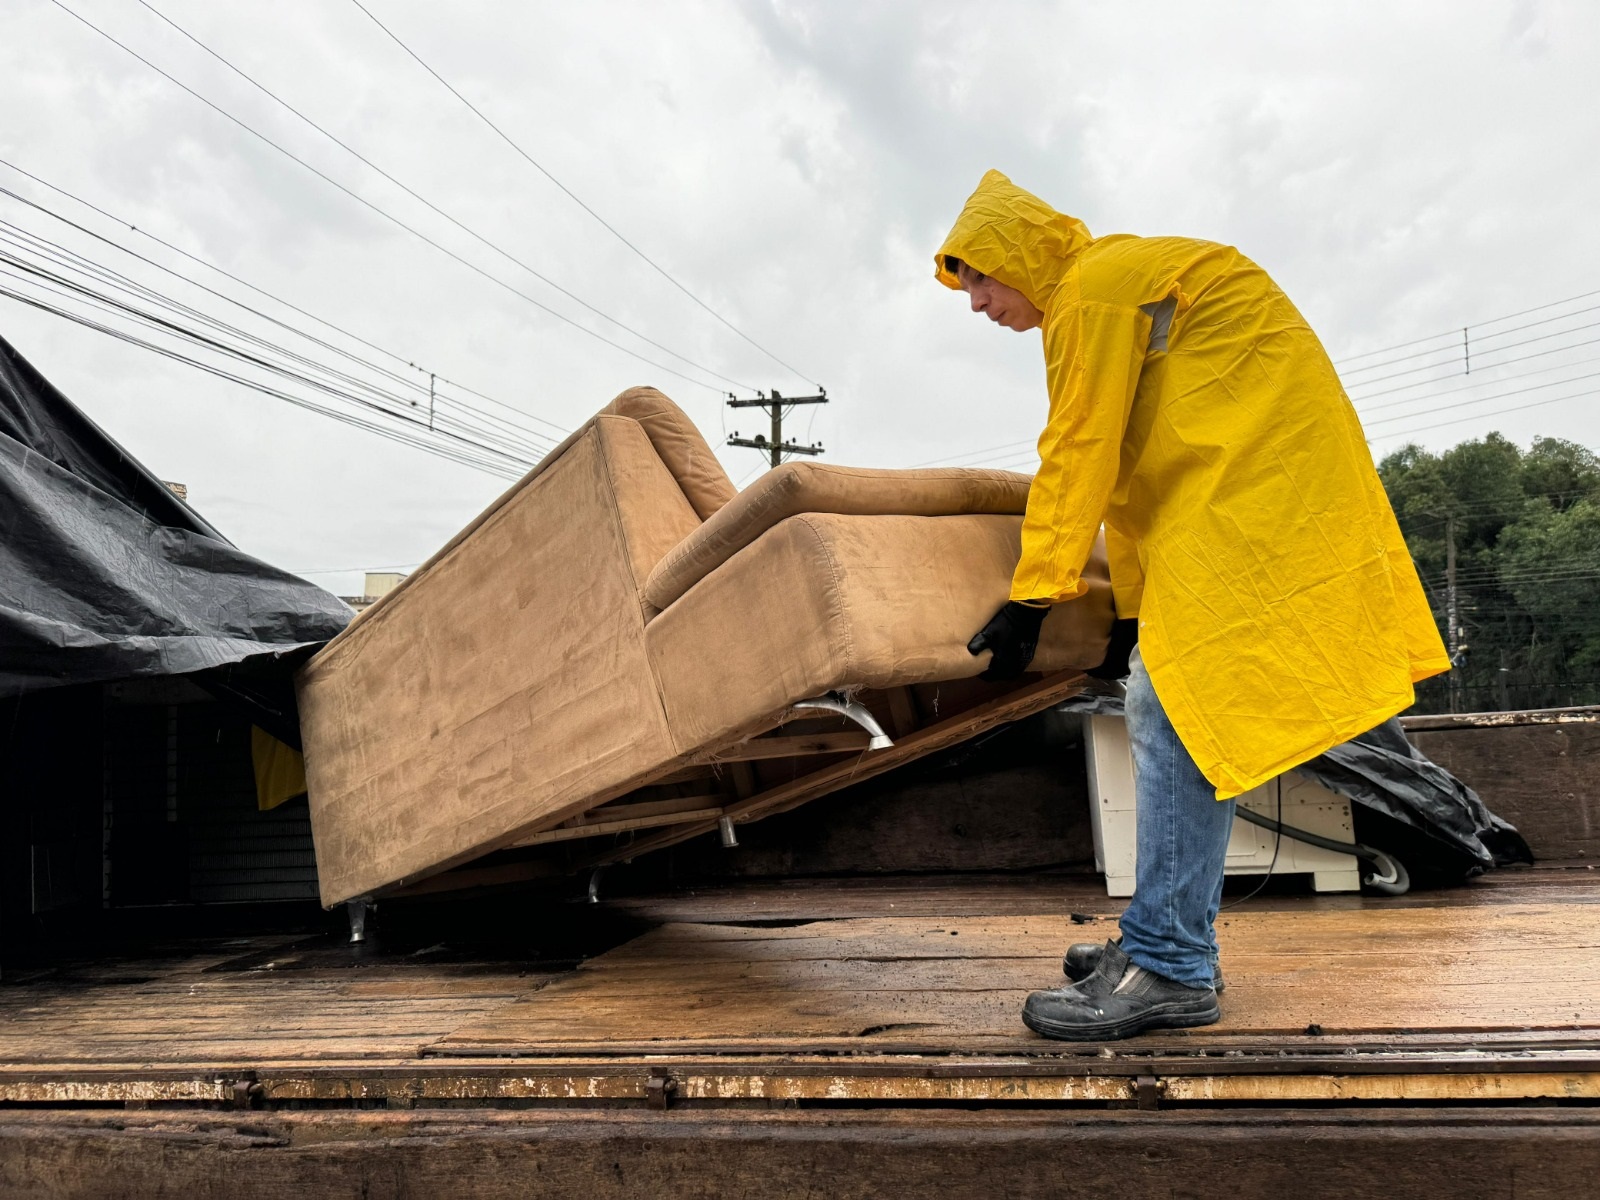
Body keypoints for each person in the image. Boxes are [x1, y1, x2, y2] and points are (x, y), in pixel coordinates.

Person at [938, 170, 1448, 1041]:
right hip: (1232, 488)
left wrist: (1035, 594)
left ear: (1018, 256)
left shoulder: (1090, 294)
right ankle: (1164, 943)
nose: (976, 303)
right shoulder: (1112, 288)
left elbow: (1081, 450)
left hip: (1255, 489)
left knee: (1168, 706)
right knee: (1163, 693)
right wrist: (1131, 615)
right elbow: (1135, 481)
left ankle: (1169, 963)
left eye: (979, 278)